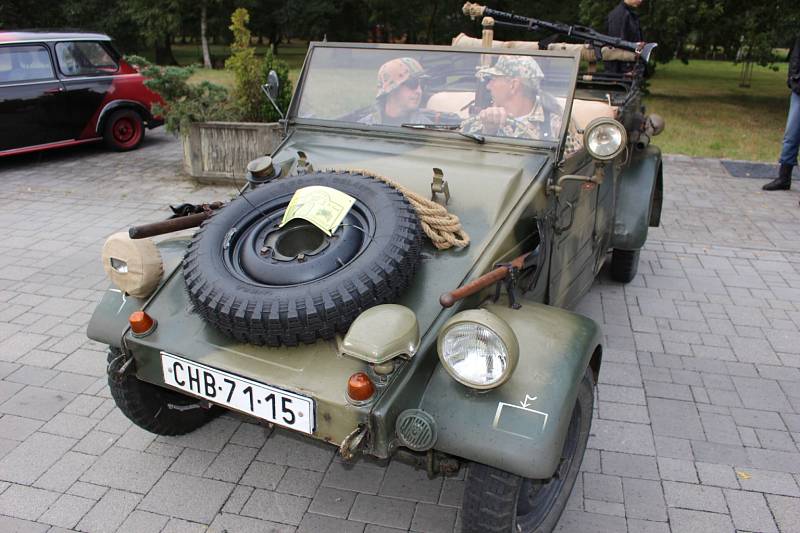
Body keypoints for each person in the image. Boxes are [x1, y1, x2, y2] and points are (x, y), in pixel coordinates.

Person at [461, 55, 580, 153]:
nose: (488, 86)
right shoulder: (485, 116)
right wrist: (489, 130)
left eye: (493, 79)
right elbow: (464, 155)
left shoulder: (555, 125)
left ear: (513, 85)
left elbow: (574, 167)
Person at [763, 36, 800, 192]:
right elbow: (796, 57)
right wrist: (793, 80)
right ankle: (784, 178)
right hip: (799, 91)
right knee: (791, 135)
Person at [359, 57, 432, 126]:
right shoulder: (363, 126)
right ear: (391, 89)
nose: (419, 91)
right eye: (413, 83)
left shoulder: (427, 130)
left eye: (422, 84)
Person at [606, 0, 643, 75]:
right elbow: (616, 46)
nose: (640, 0)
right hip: (621, 73)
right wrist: (625, 71)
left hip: (629, 68)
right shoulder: (619, 14)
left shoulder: (630, 14)